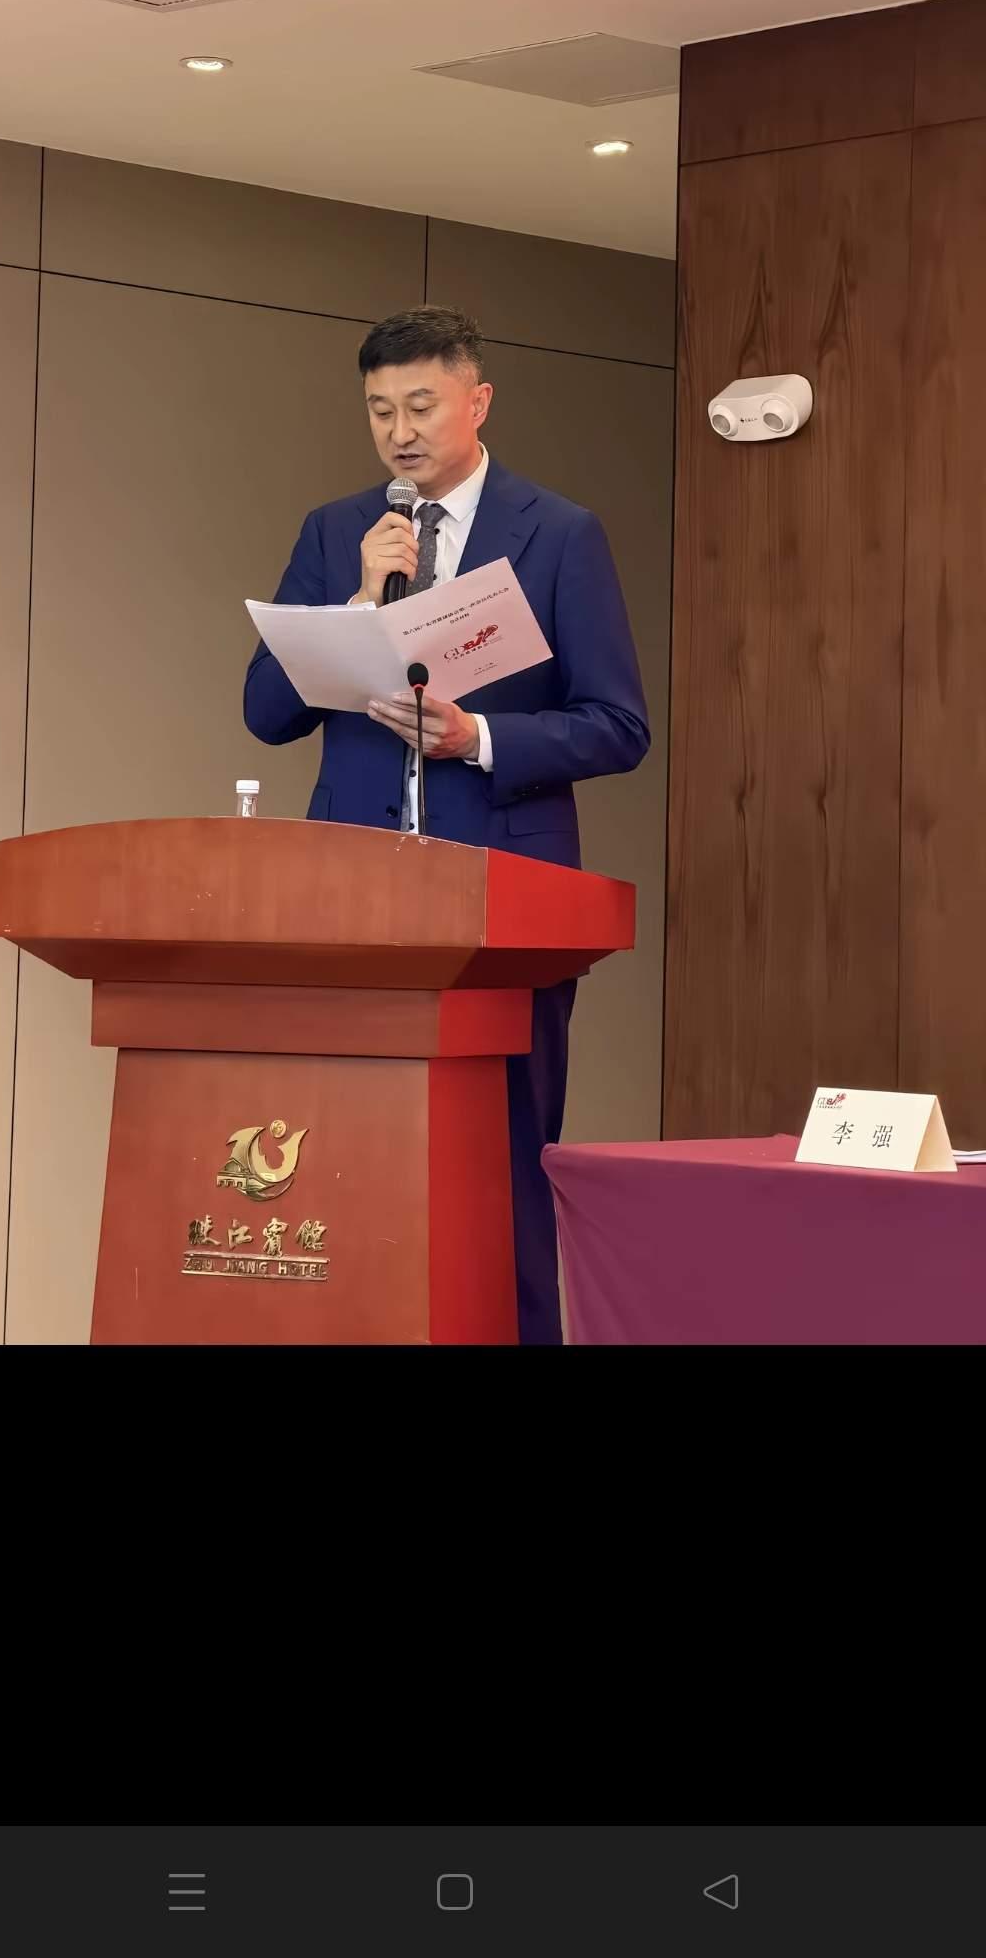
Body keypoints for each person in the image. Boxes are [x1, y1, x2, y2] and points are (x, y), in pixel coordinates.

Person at [244, 306, 650, 1343]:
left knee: (503, 1164)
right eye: (380, 410)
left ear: (478, 402)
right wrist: (357, 599)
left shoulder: (558, 533)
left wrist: (479, 736)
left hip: (504, 901)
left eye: (421, 405)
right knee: (345, 1155)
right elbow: (266, 711)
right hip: (351, 901)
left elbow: (618, 724)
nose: (400, 432)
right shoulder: (338, 531)